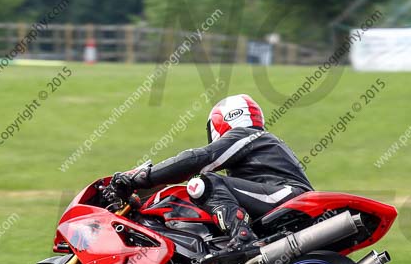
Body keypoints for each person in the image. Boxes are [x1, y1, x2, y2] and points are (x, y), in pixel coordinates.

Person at [112, 94, 313, 249]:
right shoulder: (261, 141)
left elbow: (198, 159)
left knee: (203, 183)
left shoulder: (248, 135)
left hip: (288, 197)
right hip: (285, 200)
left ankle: (242, 237)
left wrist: (143, 177)